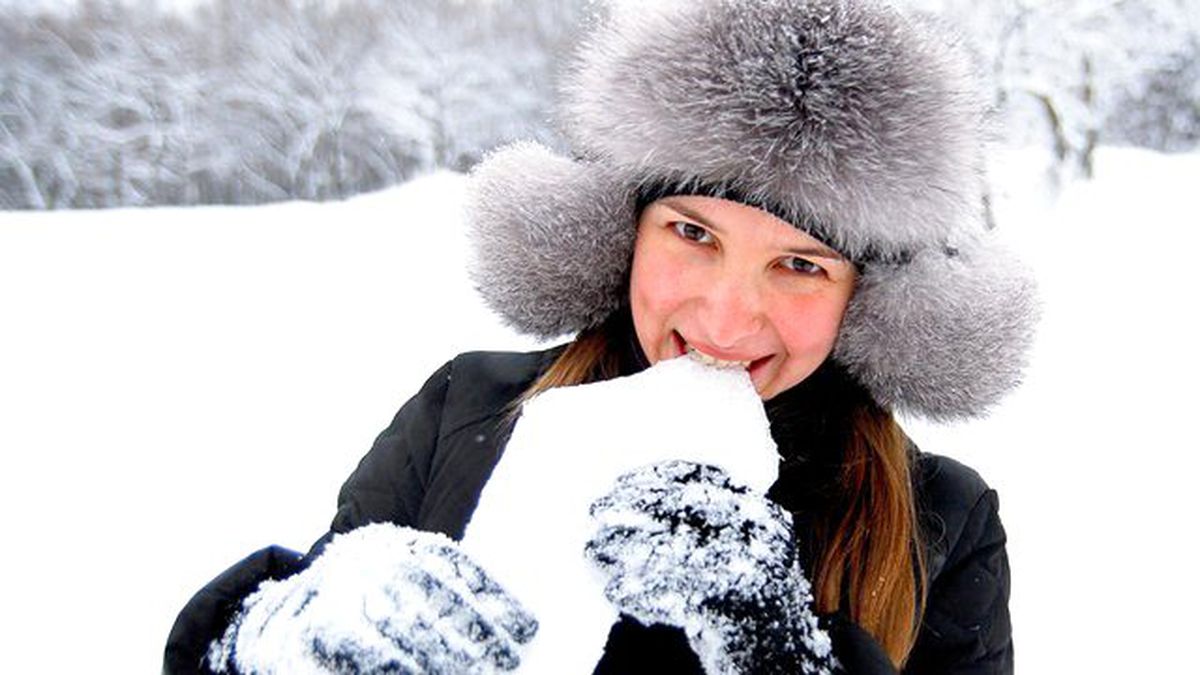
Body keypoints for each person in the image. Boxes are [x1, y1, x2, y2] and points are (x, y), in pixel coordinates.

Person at [164, 0, 1036, 673]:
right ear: (622, 232)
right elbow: (322, 611)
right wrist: (276, 639)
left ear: (869, 299)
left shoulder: (940, 520)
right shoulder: (469, 412)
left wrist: (783, 655)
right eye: (692, 233)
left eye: (801, 265)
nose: (726, 320)